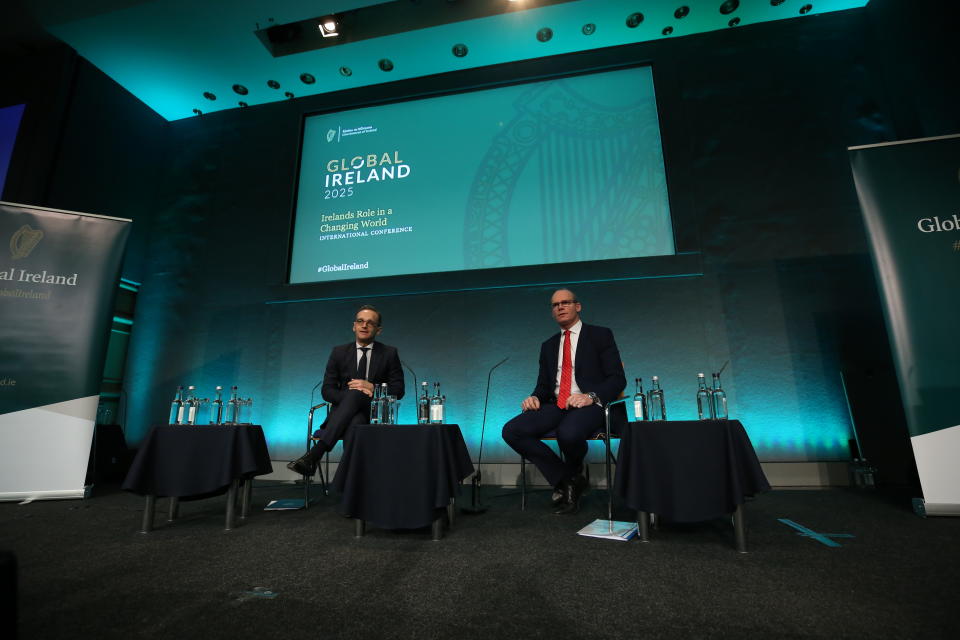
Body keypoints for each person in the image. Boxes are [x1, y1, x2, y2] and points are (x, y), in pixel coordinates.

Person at [502, 288, 626, 514]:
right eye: (555, 305)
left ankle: (571, 473)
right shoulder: (548, 345)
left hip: (591, 404)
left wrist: (590, 396)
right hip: (557, 404)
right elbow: (543, 386)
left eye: (565, 302)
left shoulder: (601, 335)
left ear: (577, 306)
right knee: (512, 430)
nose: (560, 307)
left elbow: (618, 379)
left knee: (567, 433)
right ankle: (568, 479)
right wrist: (534, 398)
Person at [287, 304, 404, 476]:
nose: (364, 325)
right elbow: (327, 390)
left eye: (370, 323)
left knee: (356, 398)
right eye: (360, 321)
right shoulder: (339, 352)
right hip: (346, 415)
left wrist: (373, 387)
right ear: (354, 326)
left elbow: (399, 390)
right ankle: (353, 481)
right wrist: (352, 397)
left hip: (375, 412)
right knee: (355, 420)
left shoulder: (389, 353)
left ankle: (315, 454)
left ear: (378, 330)